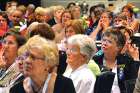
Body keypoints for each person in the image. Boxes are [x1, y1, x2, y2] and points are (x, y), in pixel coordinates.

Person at [10, 35, 76, 93]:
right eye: (26, 56)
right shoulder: (16, 90)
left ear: (47, 63)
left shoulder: (64, 85)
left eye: (33, 57)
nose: (27, 60)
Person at [93, 27, 140, 93]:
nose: (104, 43)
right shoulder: (95, 60)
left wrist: (136, 60)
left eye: (109, 41)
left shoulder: (126, 61)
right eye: (104, 40)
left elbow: (133, 84)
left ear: (118, 47)